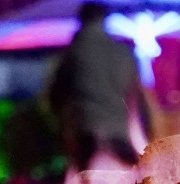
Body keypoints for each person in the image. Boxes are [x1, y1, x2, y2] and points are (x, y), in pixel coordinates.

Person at [48, 1, 145, 171]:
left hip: (85, 131)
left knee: (87, 181)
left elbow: (55, 96)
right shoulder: (123, 53)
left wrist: (63, 125)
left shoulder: (71, 54)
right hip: (120, 131)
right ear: (104, 19)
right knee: (127, 182)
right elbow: (137, 96)